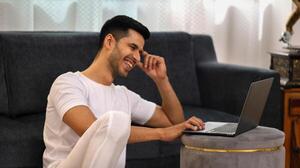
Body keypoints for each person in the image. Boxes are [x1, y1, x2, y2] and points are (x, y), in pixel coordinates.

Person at [42, 15, 205, 168]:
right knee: (116, 120)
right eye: (132, 47)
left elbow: (175, 123)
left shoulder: (124, 95)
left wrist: (161, 80)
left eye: (140, 53)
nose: (137, 58)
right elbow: (92, 130)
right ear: (109, 41)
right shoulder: (67, 83)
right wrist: (161, 134)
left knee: (116, 120)